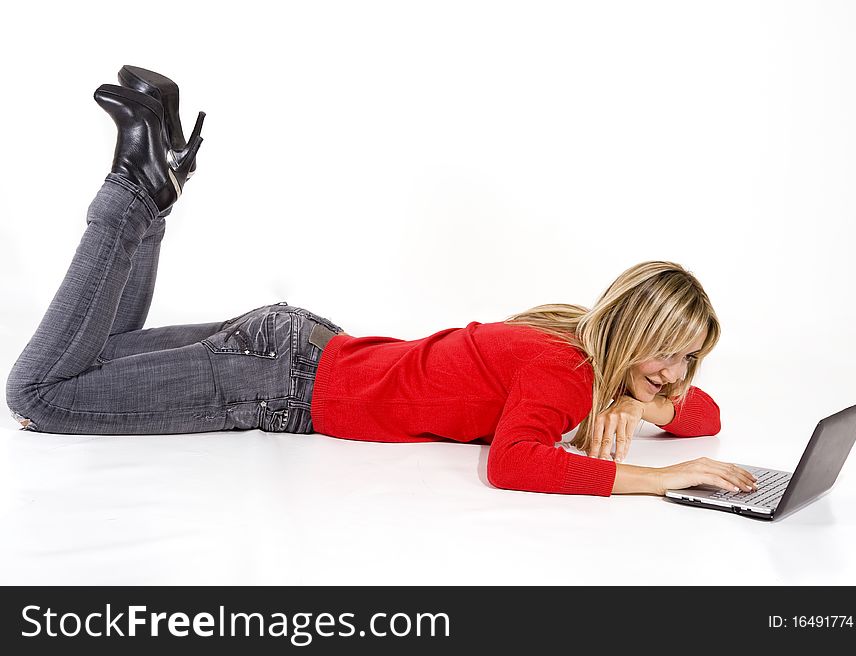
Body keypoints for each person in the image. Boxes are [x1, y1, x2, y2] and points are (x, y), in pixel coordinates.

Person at [5, 66, 757, 499]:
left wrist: (640, 396)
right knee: (41, 395)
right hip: (277, 382)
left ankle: (156, 181)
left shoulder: (570, 328)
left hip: (288, 348)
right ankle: (135, 189)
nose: (677, 373)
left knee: (100, 354)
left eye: (690, 356)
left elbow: (707, 415)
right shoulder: (561, 370)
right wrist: (667, 479)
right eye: (667, 354)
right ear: (629, 332)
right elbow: (515, 463)